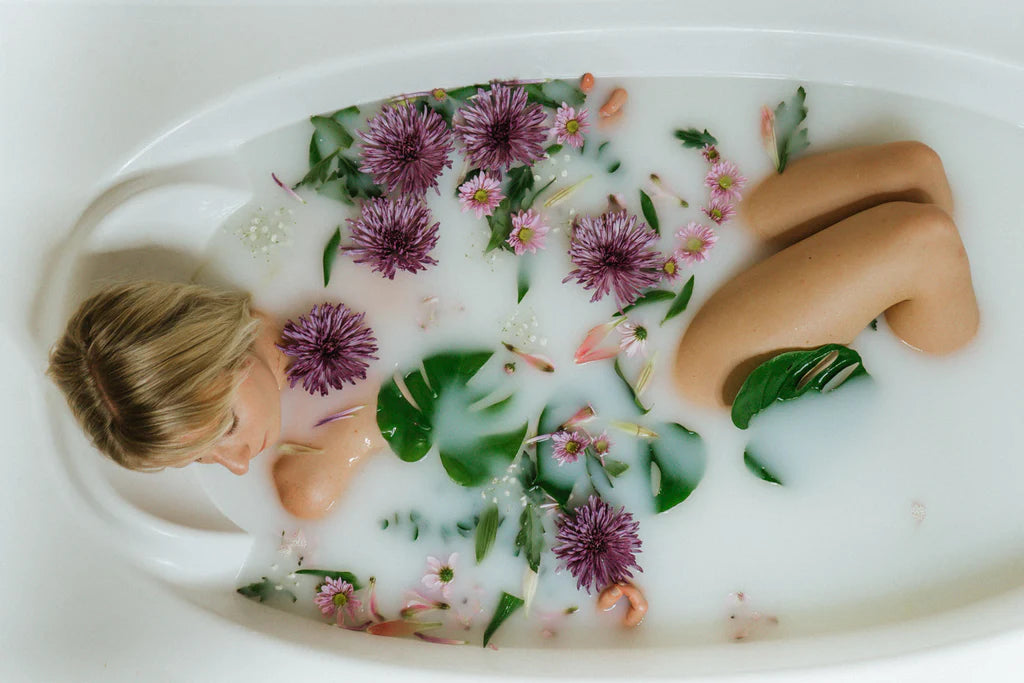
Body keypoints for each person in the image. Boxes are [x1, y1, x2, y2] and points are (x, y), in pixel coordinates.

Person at [673, 141, 979, 407]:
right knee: (928, 247)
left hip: (690, 242)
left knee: (919, 171)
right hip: (688, 365)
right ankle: (961, 387)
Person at [46, 281, 383, 519]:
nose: (238, 466)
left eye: (228, 425)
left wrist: (348, 445)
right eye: (198, 457)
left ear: (227, 351)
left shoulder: (362, 301)